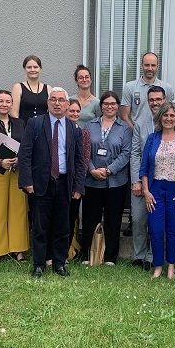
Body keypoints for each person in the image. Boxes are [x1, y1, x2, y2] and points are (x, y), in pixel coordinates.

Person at [19, 87, 86, 278]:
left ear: (67, 104)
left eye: (61, 100)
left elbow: (79, 160)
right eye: (53, 100)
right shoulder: (35, 123)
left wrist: (78, 186)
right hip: (41, 183)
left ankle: (59, 263)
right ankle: (39, 264)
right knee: (40, 227)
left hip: (64, 184)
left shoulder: (74, 129)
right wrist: (27, 181)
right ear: (48, 103)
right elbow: (25, 154)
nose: (57, 103)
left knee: (63, 227)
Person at [140, 102, 175, 279]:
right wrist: (146, 191)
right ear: (160, 117)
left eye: (172, 115)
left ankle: (171, 266)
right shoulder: (152, 138)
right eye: (165, 115)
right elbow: (143, 168)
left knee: (173, 229)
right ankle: (158, 266)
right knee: (156, 230)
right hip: (155, 190)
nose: (168, 118)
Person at [82, 91, 132, 265]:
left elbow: (126, 153)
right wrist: (92, 170)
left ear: (118, 106)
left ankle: (110, 256)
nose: (109, 107)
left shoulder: (124, 127)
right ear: (101, 106)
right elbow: (84, 151)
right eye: (106, 103)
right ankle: (88, 255)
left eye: (113, 104)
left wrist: (109, 170)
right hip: (92, 180)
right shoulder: (89, 125)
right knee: (90, 218)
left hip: (116, 182)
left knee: (113, 219)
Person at [0, 90, 29, 263]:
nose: (4, 104)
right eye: (0, 101)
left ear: (11, 104)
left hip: (17, 171)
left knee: (18, 210)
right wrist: (0, 161)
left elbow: (25, 145)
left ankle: (18, 250)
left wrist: (20, 159)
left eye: (8, 101)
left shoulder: (20, 123)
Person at [129, 86, 166, 270]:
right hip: (142, 178)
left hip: (162, 180)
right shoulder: (140, 123)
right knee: (138, 219)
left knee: (157, 220)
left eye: (158, 99)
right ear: (147, 101)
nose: (155, 103)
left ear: (165, 100)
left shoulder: (170, 122)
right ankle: (139, 255)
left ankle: (152, 256)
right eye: (152, 100)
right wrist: (136, 180)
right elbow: (135, 153)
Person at [120, 52, 175, 128]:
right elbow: (124, 116)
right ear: (141, 65)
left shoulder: (167, 88)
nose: (150, 68)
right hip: (137, 136)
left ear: (157, 67)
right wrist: (136, 132)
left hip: (160, 134)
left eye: (153, 65)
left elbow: (170, 113)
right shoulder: (130, 87)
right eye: (147, 65)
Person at [66, 99, 92, 260]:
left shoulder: (84, 134)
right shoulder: (57, 131)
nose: (75, 114)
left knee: (70, 219)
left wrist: (78, 185)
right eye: (71, 111)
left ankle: (66, 252)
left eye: (77, 111)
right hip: (58, 183)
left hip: (75, 184)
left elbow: (85, 160)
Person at [11, 55, 52, 123]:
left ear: (41, 69)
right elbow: (14, 114)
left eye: (35, 67)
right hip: (24, 129)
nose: (32, 70)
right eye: (29, 67)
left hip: (42, 129)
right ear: (24, 69)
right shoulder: (18, 87)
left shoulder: (48, 88)